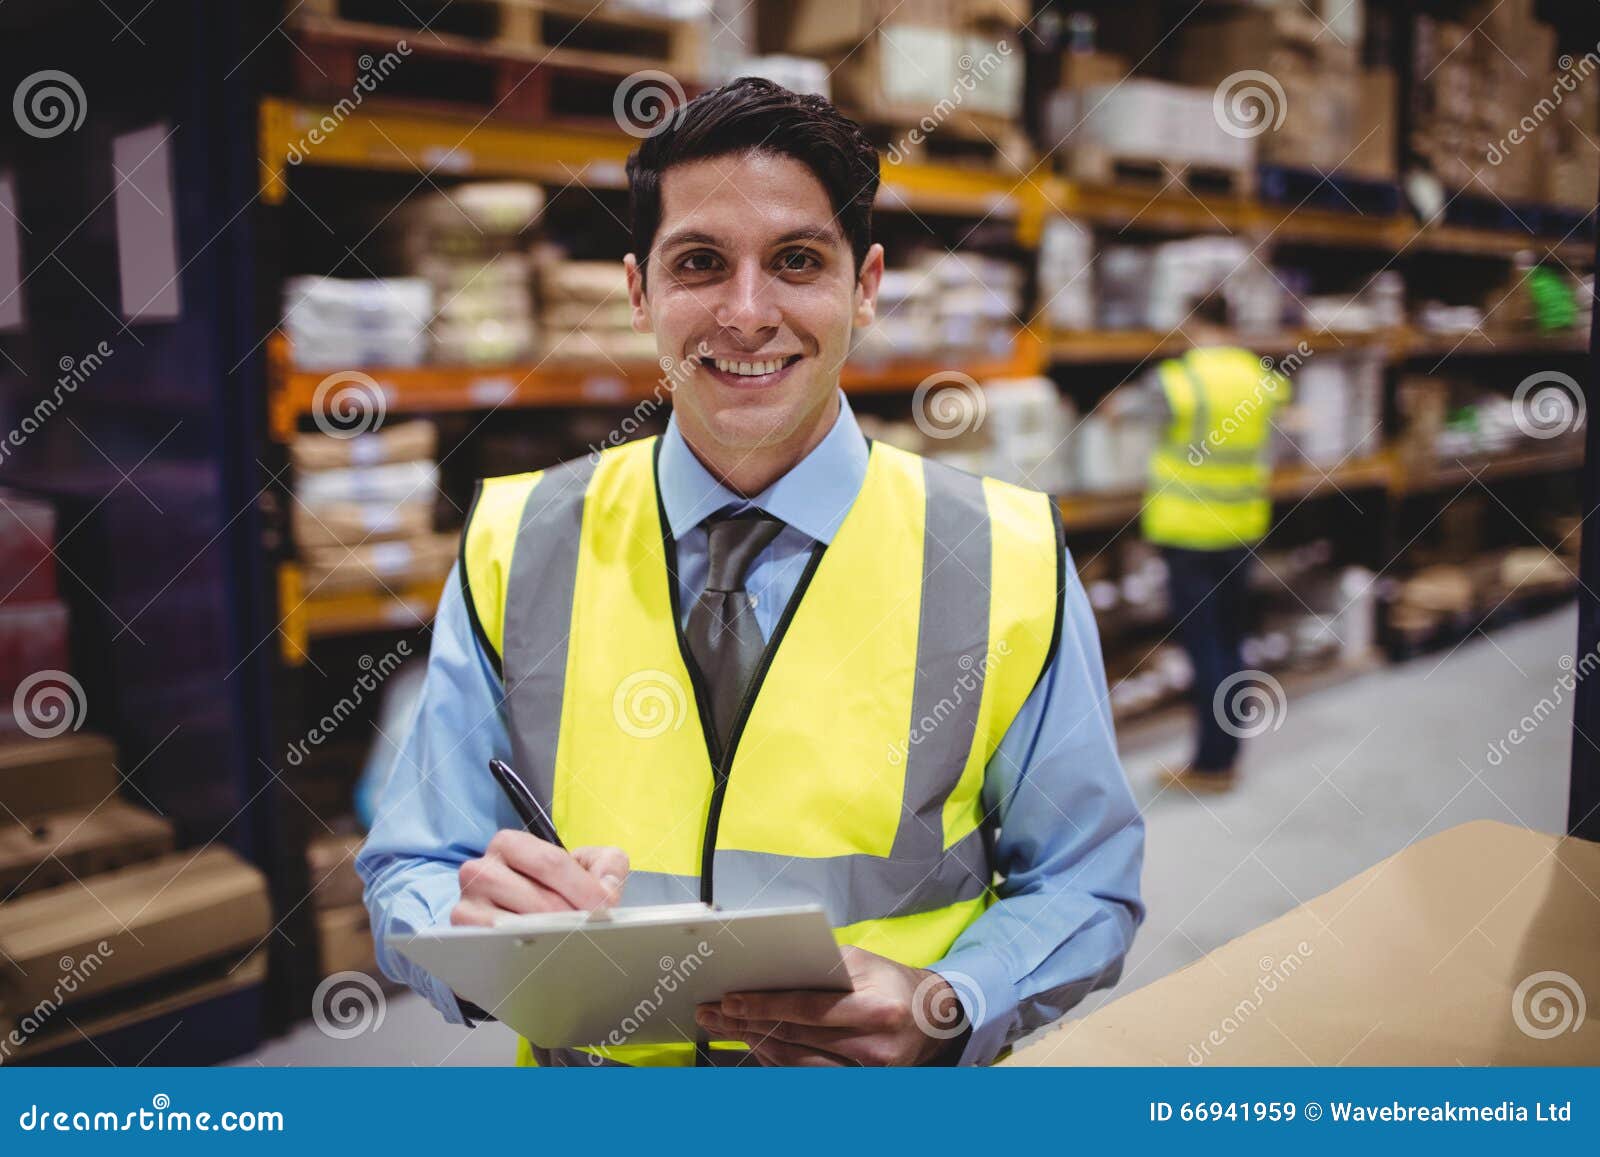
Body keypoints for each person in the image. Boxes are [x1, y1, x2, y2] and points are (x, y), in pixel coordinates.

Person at [357, 77, 1144, 1067]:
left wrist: (949, 1000)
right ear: (639, 292)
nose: (745, 312)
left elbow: (1085, 882)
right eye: (699, 263)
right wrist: (471, 928)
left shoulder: (1002, 553)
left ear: (865, 287)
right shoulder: (518, 540)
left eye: (797, 261)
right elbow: (411, 864)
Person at [1137, 295, 1290, 793]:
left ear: (1193, 323)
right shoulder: (1261, 378)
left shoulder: (1179, 379)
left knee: (1205, 648)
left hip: (1190, 531)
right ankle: (1226, 752)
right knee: (1230, 641)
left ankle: (1211, 763)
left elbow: (1140, 415)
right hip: (1241, 526)